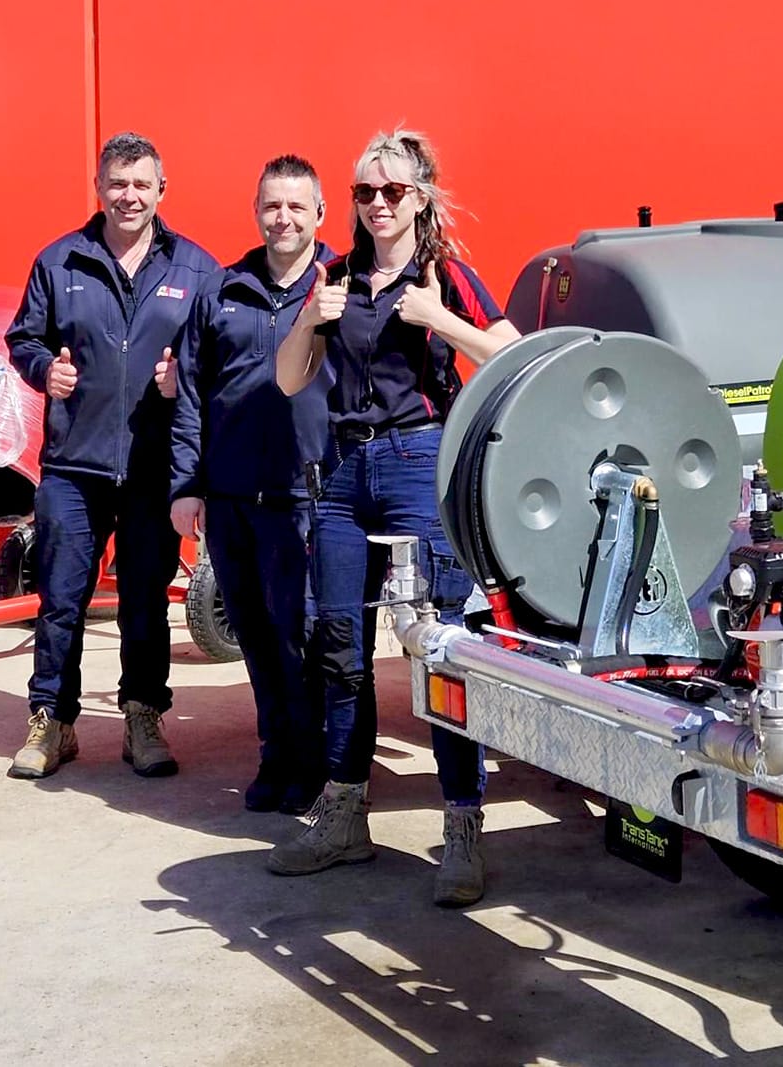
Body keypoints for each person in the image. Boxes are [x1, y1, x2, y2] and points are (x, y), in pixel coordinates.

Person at [271, 129, 521, 906]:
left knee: (439, 645)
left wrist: (439, 318)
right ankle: (345, 814)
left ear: (421, 196)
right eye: (365, 192)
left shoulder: (446, 276)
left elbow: (515, 357)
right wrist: (308, 320)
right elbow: (289, 381)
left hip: (420, 460)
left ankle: (463, 822)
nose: (378, 203)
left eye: (393, 190)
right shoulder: (336, 277)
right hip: (344, 471)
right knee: (339, 646)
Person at [5, 132, 219, 779]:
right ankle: (53, 721)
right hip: (74, 465)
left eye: (141, 184)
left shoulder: (196, 269)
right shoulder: (60, 261)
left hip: (155, 467)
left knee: (145, 600)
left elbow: (219, 354)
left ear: (162, 190)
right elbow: (23, 339)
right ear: (99, 188)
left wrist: (185, 377)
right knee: (60, 598)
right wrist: (44, 370)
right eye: (118, 184)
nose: (129, 196)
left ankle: (142, 716)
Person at [170, 155, 332, 815]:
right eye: (272, 205)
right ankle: (277, 755)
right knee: (256, 637)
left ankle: (319, 764)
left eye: (296, 206)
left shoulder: (341, 287)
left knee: (304, 636)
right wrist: (187, 483)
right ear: (256, 210)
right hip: (234, 497)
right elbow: (189, 391)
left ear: (320, 212)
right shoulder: (222, 289)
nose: (283, 218)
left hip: (308, 497)